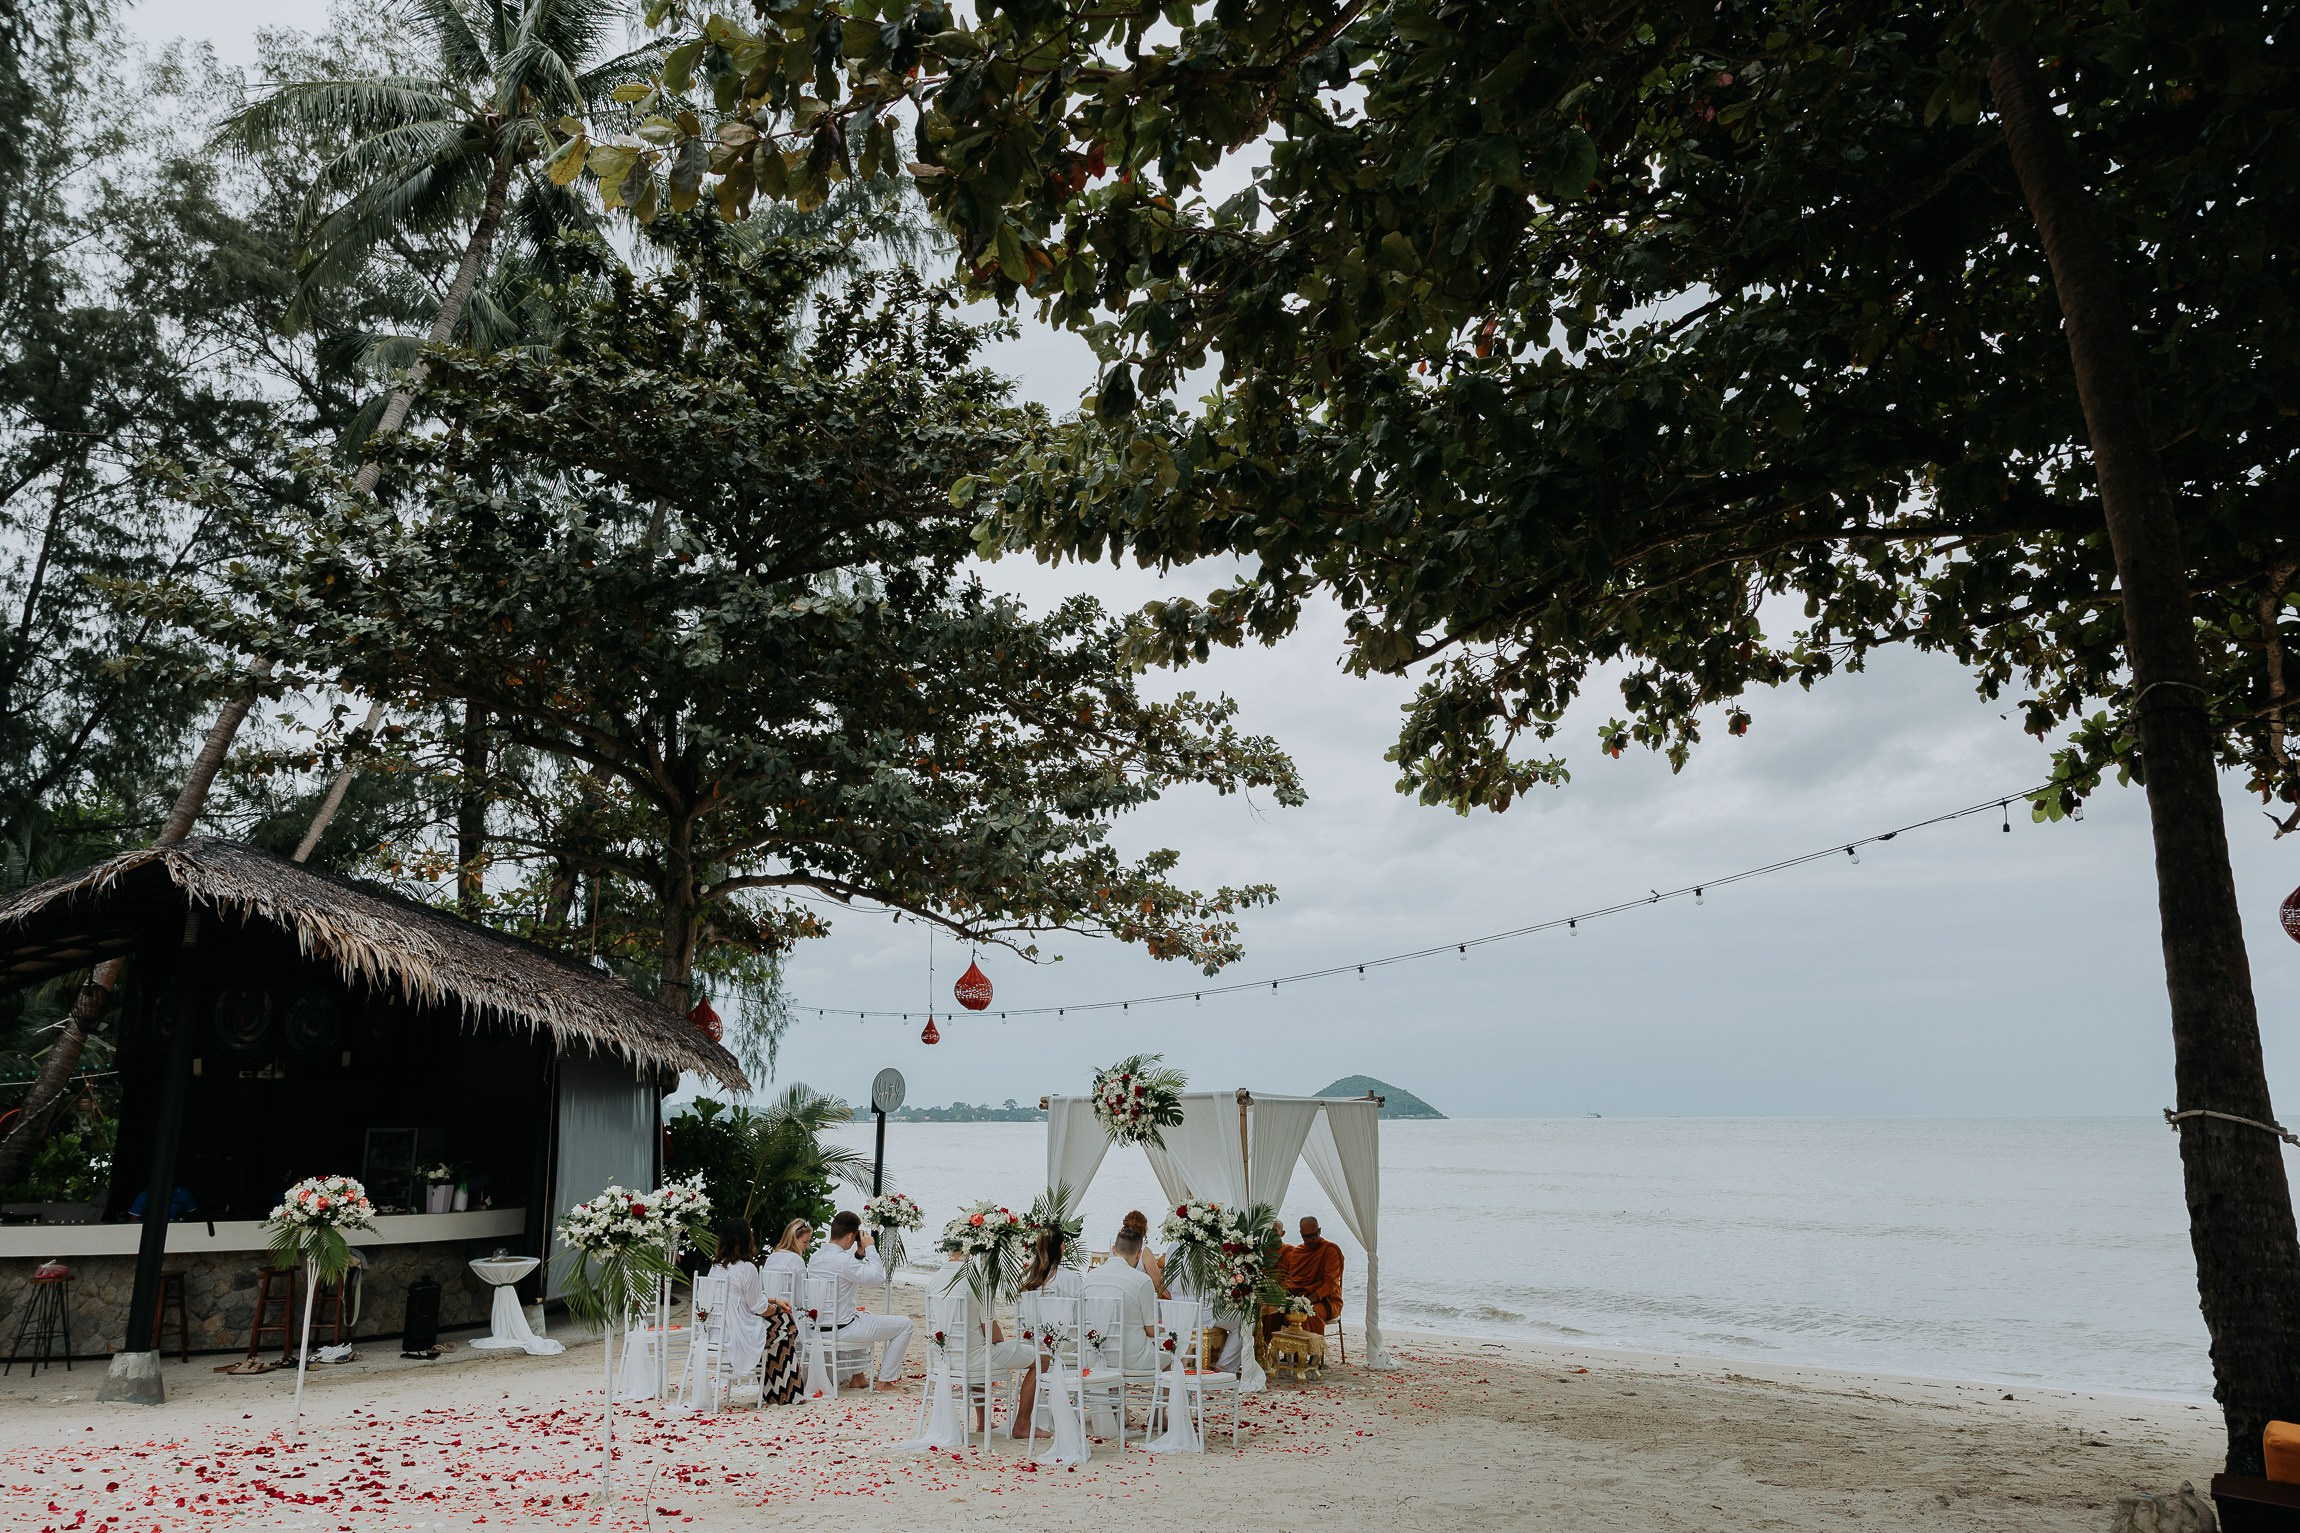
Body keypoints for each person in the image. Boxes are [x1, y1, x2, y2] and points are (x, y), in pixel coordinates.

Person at [699, 1216, 803, 1404]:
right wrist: (777, 1309)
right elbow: (759, 1308)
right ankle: (784, 1392)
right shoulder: (746, 1268)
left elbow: (740, 1298)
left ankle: (778, 1391)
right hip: (737, 1333)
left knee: (779, 1329)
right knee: (786, 1324)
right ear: (748, 1239)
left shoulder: (715, 1267)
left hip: (716, 1331)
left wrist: (774, 1300)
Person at [805, 1209, 911, 1390]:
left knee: (862, 1315)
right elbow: (877, 1278)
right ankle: (885, 1381)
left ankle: (858, 1377)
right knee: (905, 1325)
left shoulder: (816, 1257)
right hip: (842, 1329)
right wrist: (870, 1248)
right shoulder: (844, 1261)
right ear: (850, 1236)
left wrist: (858, 1256)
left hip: (819, 1326)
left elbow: (846, 1274)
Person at [1007, 1225, 1081, 1438]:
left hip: (1034, 1348)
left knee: (1042, 1349)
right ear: (1062, 1247)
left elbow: (1024, 1323)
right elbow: (1080, 1320)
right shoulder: (1072, 1280)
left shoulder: (1027, 1280)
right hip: (1066, 1348)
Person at [1081, 1210, 1160, 1375]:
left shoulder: (1090, 1277)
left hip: (1092, 1353)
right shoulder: (1142, 1281)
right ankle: (1167, 1400)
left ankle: (1114, 1396)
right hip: (1131, 1358)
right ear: (1139, 1254)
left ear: (1113, 1249)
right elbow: (1152, 1330)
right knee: (1176, 1352)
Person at [1284, 1215, 1346, 1335]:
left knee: (1309, 1313)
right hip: (1301, 1297)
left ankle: (1314, 1352)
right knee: (1276, 1313)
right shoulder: (1298, 1252)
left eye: (1313, 1235)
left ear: (1319, 1231)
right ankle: (1285, 1350)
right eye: (1306, 1237)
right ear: (1301, 1234)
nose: (1310, 1239)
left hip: (1327, 1301)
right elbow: (1293, 1280)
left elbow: (1330, 1285)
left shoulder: (1330, 1250)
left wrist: (1307, 1301)